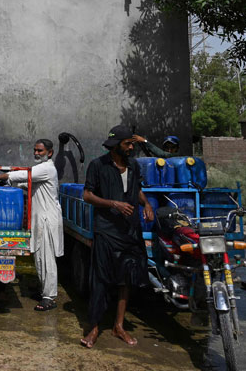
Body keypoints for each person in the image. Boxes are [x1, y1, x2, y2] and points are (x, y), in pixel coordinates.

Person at [80, 125, 154, 348]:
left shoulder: (133, 165)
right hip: (106, 230)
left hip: (130, 231)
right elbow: (87, 195)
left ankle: (118, 326)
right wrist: (113, 203)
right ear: (115, 145)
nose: (132, 147)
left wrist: (147, 204)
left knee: (126, 280)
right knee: (101, 279)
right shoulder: (98, 165)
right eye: (128, 143)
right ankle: (93, 328)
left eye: (133, 143)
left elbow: (136, 189)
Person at [0, 139, 63, 311]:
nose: (36, 153)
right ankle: (45, 292)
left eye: (40, 151)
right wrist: (10, 182)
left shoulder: (46, 168)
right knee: (40, 258)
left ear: (49, 153)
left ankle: (49, 297)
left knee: (47, 259)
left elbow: (26, 175)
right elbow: (27, 183)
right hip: (41, 220)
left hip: (47, 220)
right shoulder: (41, 171)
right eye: (35, 150)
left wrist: (4, 176)